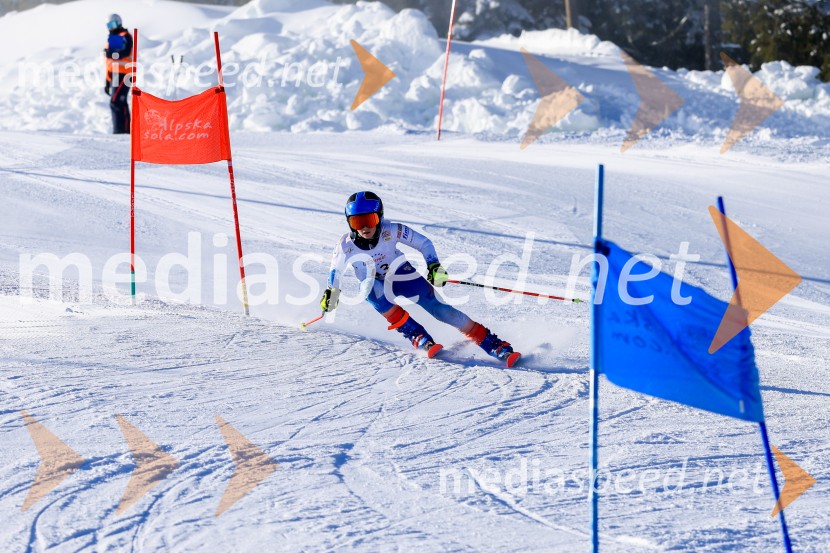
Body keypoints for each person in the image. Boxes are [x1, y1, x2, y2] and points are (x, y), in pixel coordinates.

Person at [320, 191, 521, 367]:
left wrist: (434, 265)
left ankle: (494, 345)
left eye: (369, 220)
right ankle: (416, 335)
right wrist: (332, 291)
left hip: (401, 273)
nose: (364, 227)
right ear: (349, 223)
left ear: (379, 218)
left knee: (441, 310)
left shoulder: (393, 230)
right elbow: (335, 271)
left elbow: (424, 243)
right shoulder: (345, 245)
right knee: (370, 291)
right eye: (356, 222)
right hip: (374, 283)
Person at [103, 14, 133, 134]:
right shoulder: (113, 38)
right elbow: (110, 62)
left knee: (116, 102)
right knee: (118, 102)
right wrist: (107, 81)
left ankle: (122, 130)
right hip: (115, 74)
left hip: (124, 73)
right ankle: (122, 130)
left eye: (113, 25)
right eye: (109, 25)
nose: (111, 28)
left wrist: (110, 53)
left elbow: (124, 52)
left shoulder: (125, 36)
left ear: (119, 23)